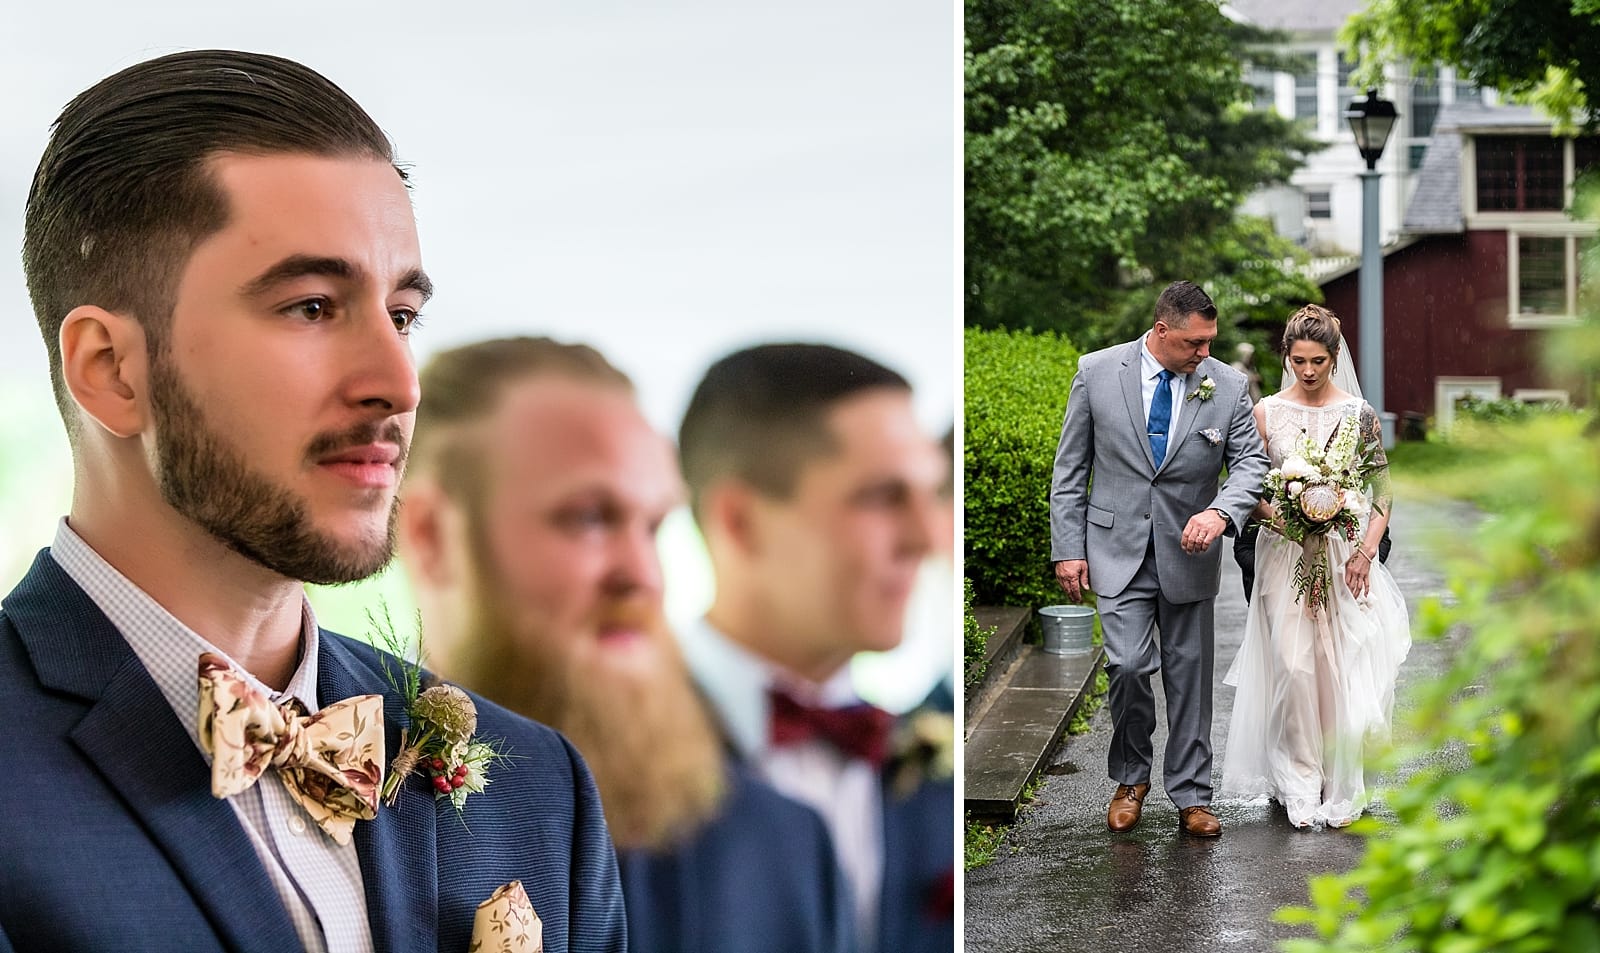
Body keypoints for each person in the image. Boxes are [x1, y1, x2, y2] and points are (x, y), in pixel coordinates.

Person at [0, 51, 625, 952]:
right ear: (111, 370)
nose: (397, 382)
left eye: (402, 315)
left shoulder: (539, 789)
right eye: (312, 306)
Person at [396, 336, 854, 953]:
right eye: (588, 517)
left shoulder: (785, 851)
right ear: (429, 536)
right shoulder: (338, 815)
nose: (644, 575)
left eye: (653, 525)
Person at [677, 343, 955, 953]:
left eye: (930, 496)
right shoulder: (596, 771)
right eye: (883, 497)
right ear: (739, 521)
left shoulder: (929, 754)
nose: (928, 538)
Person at [1050, 280, 1270, 838]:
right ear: (1162, 330)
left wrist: (1220, 513)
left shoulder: (1227, 385)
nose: (1204, 354)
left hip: (1190, 552)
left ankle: (1192, 795)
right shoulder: (1097, 372)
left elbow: (1250, 464)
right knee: (1126, 667)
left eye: (1210, 343)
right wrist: (1068, 549)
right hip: (1115, 549)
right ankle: (1130, 779)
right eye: (1194, 344)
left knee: (1189, 678)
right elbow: (1071, 470)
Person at [1220, 305, 1412, 829]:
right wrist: (1283, 516)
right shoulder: (1265, 412)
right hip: (1283, 554)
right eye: (1299, 360)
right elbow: (1250, 486)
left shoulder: (1359, 414)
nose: (1308, 371)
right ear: (1286, 357)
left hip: (1343, 553)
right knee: (1293, 665)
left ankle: (1337, 776)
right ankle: (1297, 777)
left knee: (1337, 667)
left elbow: (1383, 491)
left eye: (1319, 361)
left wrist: (1364, 553)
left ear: (1334, 358)